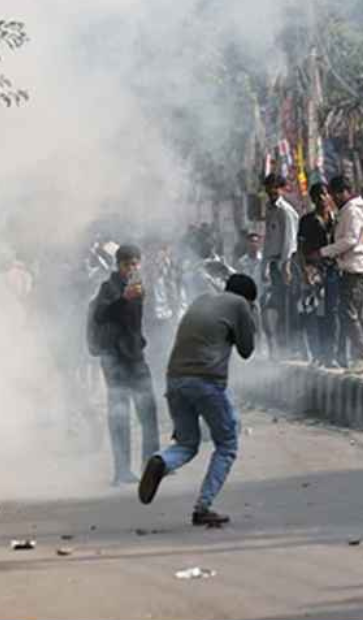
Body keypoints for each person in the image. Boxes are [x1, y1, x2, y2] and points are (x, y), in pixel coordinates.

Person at [138, 274, 257, 527]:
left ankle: (161, 460)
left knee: (187, 443)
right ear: (248, 298)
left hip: (175, 379)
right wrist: (250, 316)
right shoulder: (240, 306)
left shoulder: (202, 299)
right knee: (227, 444)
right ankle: (203, 506)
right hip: (206, 381)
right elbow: (247, 350)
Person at [90, 243, 160, 486]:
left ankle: (152, 464)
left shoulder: (138, 287)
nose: (132, 268)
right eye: (127, 264)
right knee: (120, 416)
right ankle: (121, 471)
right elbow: (100, 314)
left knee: (148, 411)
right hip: (115, 360)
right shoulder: (108, 288)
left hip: (135, 357)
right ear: (118, 265)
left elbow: (140, 321)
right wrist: (122, 299)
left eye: (135, 263)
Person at [320, 176, 363, 374]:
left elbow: (350, 240)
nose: (333, 198)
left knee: (349, 312)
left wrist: (324, 252)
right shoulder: (349, 210)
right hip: (354, 267)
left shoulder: (351, 211)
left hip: (356, 268)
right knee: (358, 314)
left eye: (335, 194)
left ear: (343, 191)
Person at [298, 182, 339, 367]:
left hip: (333, 271)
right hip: (314, 272)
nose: (323, 198)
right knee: (315, 314)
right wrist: (305, 270)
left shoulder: (336, 219)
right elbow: (300, 249)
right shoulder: (307, 221)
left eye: (325, 194)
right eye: (319, 195)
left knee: (332, 313)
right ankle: (317, 354)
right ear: (314, 199)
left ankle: (331, 355)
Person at [262, 174, 299, 358]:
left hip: (286, 264)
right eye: (268, 188)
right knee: (275, 305)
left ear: (281, 188)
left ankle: (290, 347)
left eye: (274, 187)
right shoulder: (269, 209)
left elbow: (289, 241)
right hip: (274, 263)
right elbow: (268, 240)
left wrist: (285, 266)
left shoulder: (286, 211)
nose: (271, 191)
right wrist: (265, 266)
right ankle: (279, 346)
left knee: (286, 307)